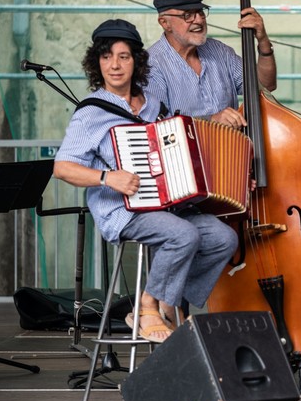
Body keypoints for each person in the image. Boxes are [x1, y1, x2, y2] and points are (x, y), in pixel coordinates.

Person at [53, 19, 238, 342]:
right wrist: (108, 177)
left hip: (168, 206)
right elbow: (63, 167)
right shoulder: (91, 113)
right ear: (97, 62)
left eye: (124, 56)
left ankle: (165, 302)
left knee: (223, 238)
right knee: (182, 235)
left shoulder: (155, 106)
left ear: (137, 61)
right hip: (123, 212)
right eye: (107, 56)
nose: (115, 65)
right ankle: (148, 306)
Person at [147, 0, 277, 128]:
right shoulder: (151, 64)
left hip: (234, 146)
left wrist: (263, 40)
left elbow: (265, 87)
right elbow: (157, 126)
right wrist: (210, 120)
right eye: (188, 15)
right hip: (187, 150)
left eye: (200, 12)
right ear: (165, 23)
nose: (198, 20)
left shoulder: (220, 51)